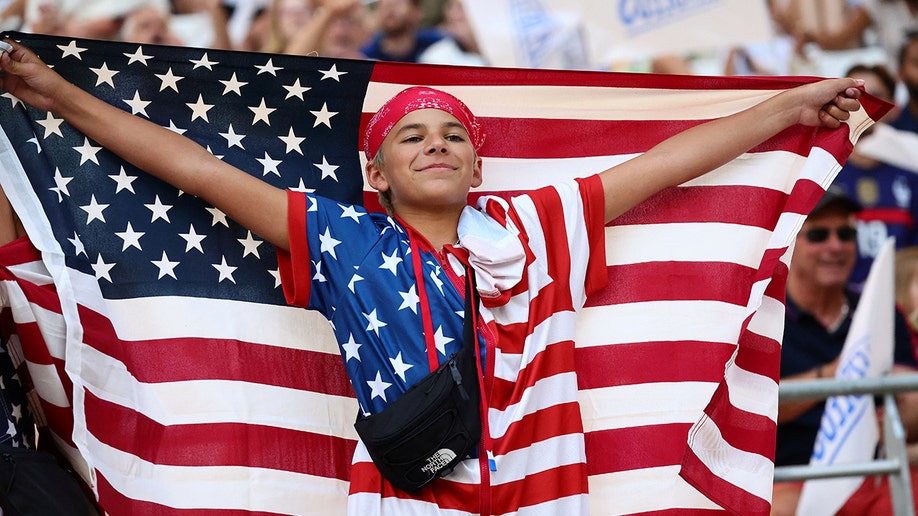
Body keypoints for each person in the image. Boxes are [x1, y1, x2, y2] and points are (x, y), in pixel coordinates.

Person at [0, 38, 865, 513]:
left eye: (453, 135)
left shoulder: (539, 225)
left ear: (480, 171)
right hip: (408, 496)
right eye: (412, 137)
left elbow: (672, 161)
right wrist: (57, 97)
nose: (436, 145)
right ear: (376, 174)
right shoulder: (340, 235)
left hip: (544, 497)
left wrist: (788, 109)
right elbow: (197, 171)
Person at [773, 185, 918, 515]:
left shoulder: (881, 310)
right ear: (790, 242)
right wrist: (838, 374)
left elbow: (912, 412)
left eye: (846, 233)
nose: (835, 246)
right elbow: (754, 409)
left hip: (876, 472)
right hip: (792, 477)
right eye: (819, 234)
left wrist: (901, 402)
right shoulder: (764, 318)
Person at [832, 63, 918, 288]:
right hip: (838, 297)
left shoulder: (912, 169)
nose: (862, 104)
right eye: (853, 94)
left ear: (893, 108)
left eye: (875, 96)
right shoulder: (821, 170)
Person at [360, 0, 444, 62]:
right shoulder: (366, 57)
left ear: (417, 12)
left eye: (397, 3)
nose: (390, 9)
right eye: (383, 4)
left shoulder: (437, 47)